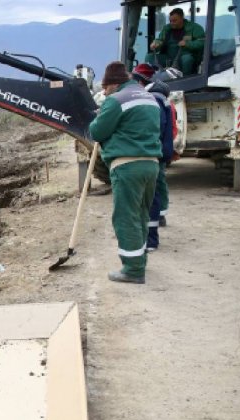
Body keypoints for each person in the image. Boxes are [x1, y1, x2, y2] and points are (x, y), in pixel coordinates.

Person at [89, 61, 162, 284]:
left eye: (105, 87)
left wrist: (100, 114)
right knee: (140, 214)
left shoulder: (116, 100)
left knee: (125, 217)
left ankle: (132, 269)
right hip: (151, 164)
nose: (103, 91)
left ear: (113, 84)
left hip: (127, 166)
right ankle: (139, 260)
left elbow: (96, 131)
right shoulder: (148, 97)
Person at [132, 63, 174, 251]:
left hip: (154, 153)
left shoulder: (154, 99)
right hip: (159, 151)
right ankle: (151, 233)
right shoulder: (159, 96)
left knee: (151, 195)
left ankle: (151, 240)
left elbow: (156, 127)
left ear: (141, 81)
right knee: (154, 193)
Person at [147, 8, 205, 76]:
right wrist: (156, 44)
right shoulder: (167, 29)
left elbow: (202, 42)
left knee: (187, 59)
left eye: (174, 21)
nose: (172, 23)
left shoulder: (195, 28)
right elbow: (160, 40)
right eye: (170, 21)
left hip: (185, 57)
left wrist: (187, 44)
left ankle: (186, 78)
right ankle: (149, 79)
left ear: (182, 18)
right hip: (168, 57)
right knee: (149, 57)